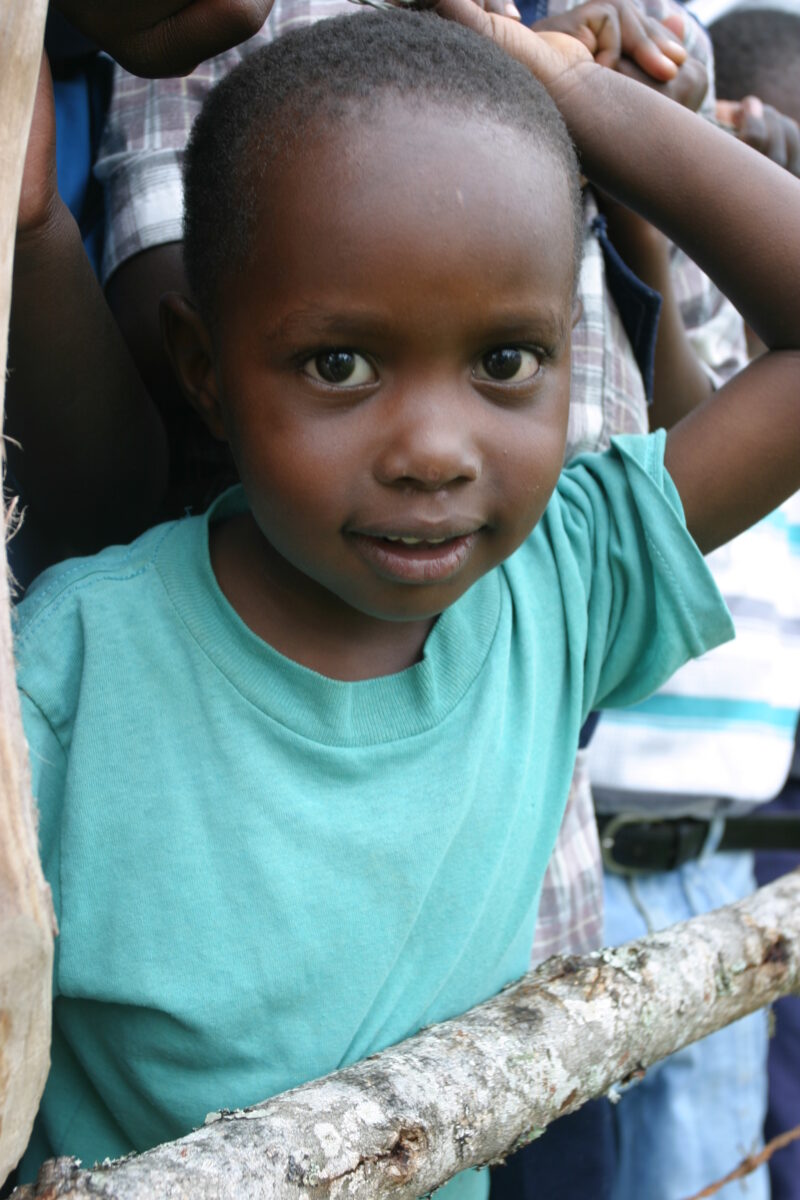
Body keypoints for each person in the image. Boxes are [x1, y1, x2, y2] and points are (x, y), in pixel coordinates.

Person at [14, 6, 800, 1197]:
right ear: (203, 374)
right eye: (339, 363)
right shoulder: (69, 663)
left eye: (503, 362)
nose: (434, 450)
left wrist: (576, 96)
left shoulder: (556, 593)